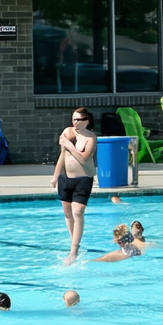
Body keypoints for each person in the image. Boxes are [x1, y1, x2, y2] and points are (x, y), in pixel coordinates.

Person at [50, 107, 97, 264]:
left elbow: (84, 158)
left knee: (78, 212)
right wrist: (55, 176)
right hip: (65, 178)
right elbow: (62, 155)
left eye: (79, 120)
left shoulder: (91, 138)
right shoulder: (67, 132)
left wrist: (69, 145)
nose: (76, 122)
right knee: (68, 213)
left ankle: (73, 251)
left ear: (87, 121)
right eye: (74, 119)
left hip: (83, 178)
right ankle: (74, 242)